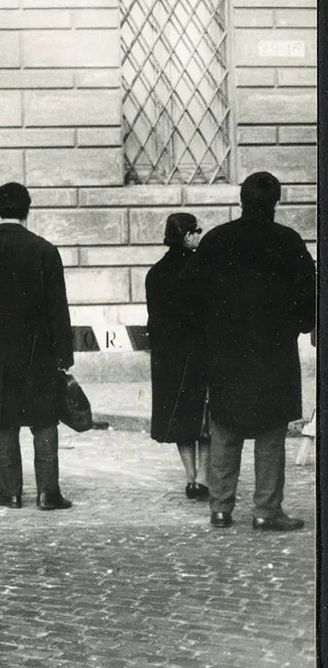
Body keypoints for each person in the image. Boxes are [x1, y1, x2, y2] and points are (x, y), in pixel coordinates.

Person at [183, 172, 316, 531]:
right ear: (276, 201)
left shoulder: (216, 240)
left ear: (241, 199)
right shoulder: (289, 242)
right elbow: (308, 307)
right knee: (271, 433)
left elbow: (192, 299)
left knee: (225, 427)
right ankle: (265, 510)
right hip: (273, 353)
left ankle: (221, 508)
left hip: (225, 352)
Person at [0, 182, 75, 511]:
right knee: (44, 419)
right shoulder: (44, 250)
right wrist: (63, 354)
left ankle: (10, 491)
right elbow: (58, 309)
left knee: (4, 419)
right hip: (39, 352)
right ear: (27, 211)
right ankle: (48, 492)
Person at [145, 212, 210, 500]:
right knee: (205, 419)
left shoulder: (155, 273)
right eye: (197, 231)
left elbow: (154, 320)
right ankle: (206, 479)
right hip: (200, 353)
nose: (199, 235)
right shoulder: (203, 269)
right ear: (186, 236)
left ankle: (191, 477)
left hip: (169, 357)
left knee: (181, 419)